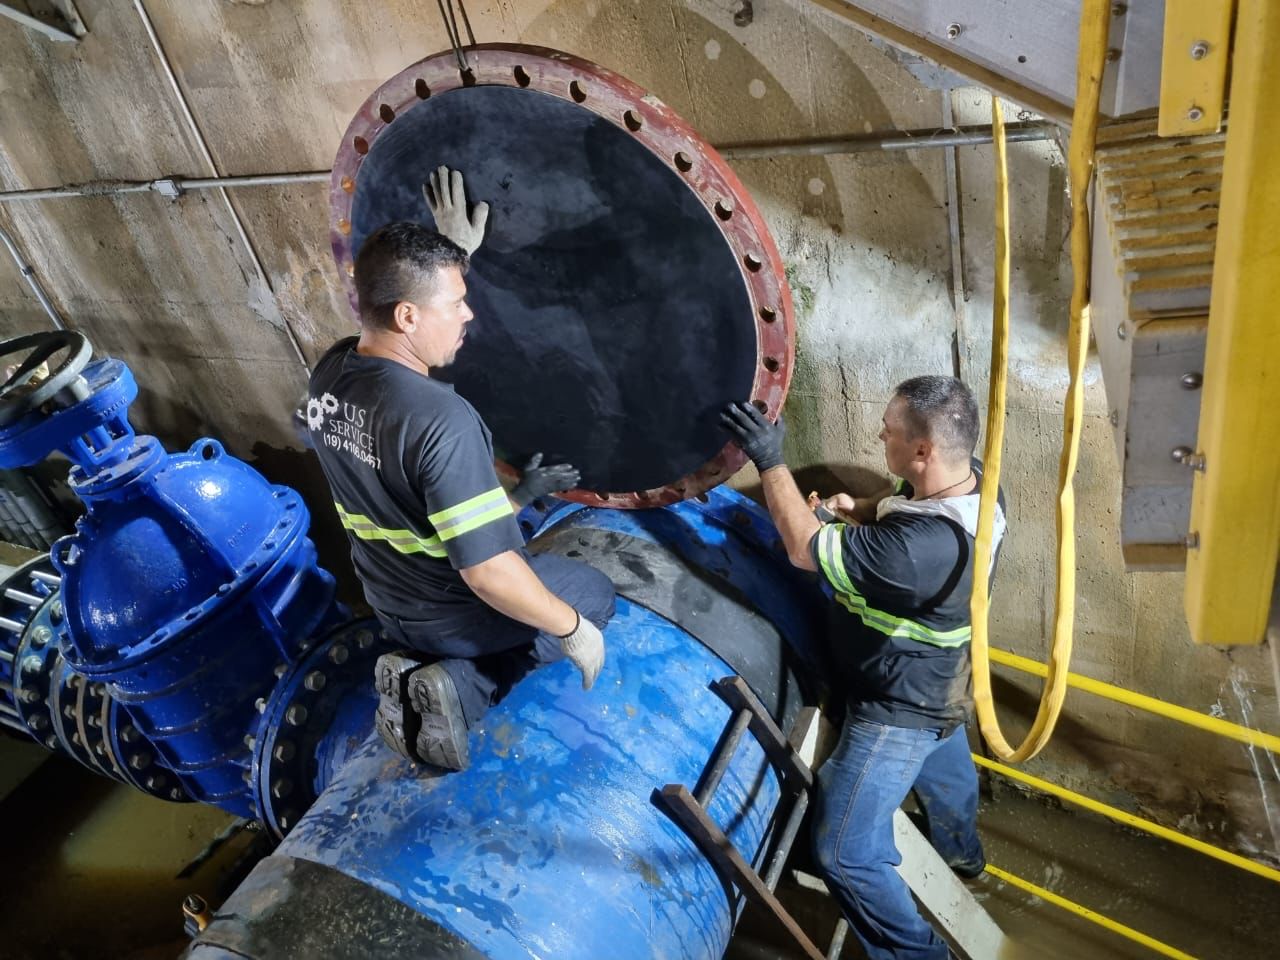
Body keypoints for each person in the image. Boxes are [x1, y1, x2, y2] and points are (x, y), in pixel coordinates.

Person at [306, 168, 615, 771]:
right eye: (454, 304)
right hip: (453, 614)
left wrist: (452, 256)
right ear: (408, 317)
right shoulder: (441, 420)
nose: (468, 313)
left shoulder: (331, 371)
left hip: (385, 598)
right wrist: (573, 628)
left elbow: (387, 294)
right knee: (593, 595)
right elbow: (488, 574)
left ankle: (417, 664)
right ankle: (464, 687)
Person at [721, 375, 1006, 960]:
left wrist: (770, 461)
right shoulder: (976, 483)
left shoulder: (916, 552)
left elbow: (803, 550)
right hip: (946, 682)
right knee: (949, 780)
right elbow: (903, 502)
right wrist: (861, 510)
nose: (880, 436)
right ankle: (964, 860)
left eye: (889, 431)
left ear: (923, 449)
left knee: (845, 853)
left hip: (896, 706)